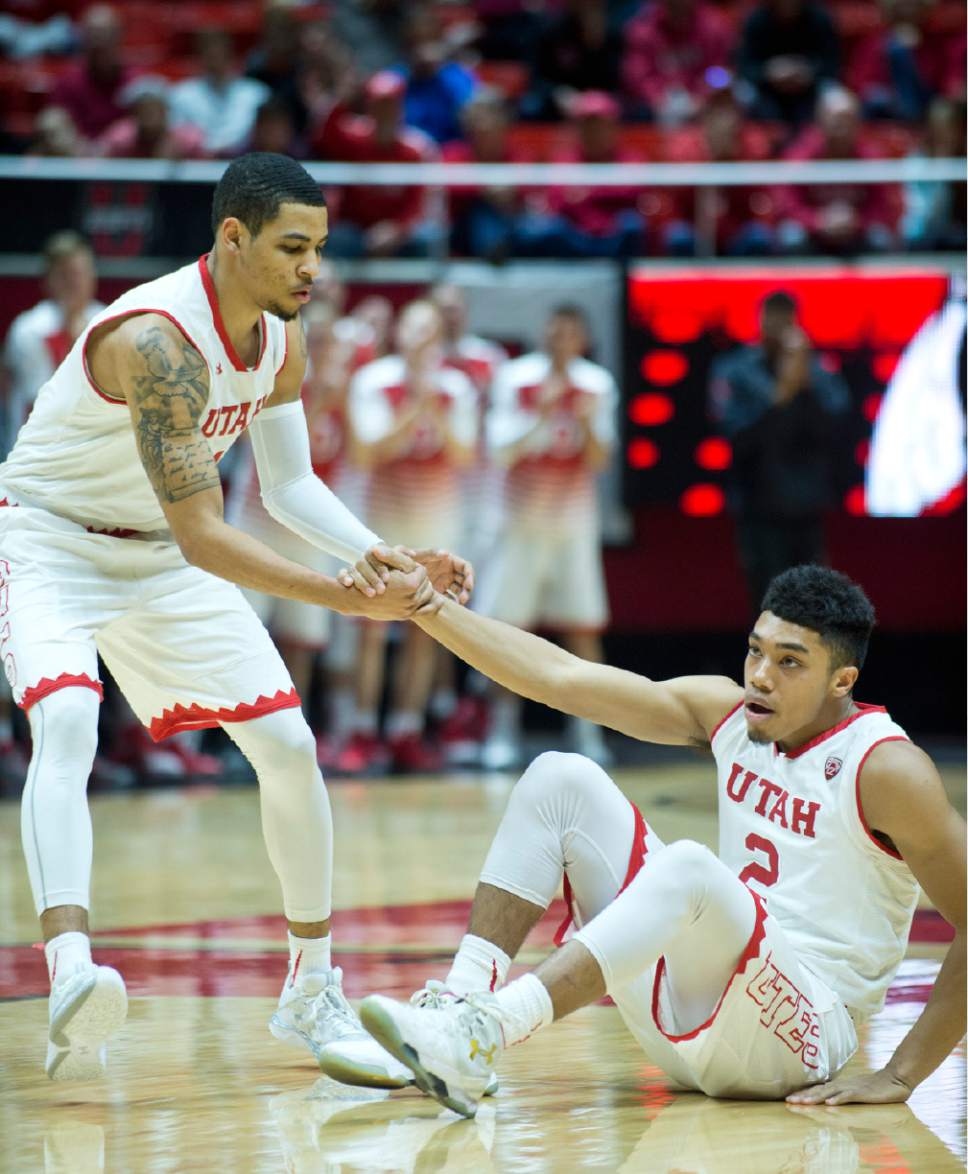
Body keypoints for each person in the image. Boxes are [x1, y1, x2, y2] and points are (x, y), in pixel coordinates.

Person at [0, 152, 472, 1085]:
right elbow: (208, 535)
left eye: (321, 248)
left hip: (159, 552)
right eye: (294, 247)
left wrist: (382, 557)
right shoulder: (159, 341)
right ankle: (70, 972)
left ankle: (310, 988)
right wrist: (344, 597)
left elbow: (291, 487)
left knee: (290, 749)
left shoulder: (282, 336)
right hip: (51, 539)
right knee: (66, 720)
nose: (312, 268)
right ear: (232, 237)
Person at [350, 564, 965, 1119]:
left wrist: (902, 1073)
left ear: (842, 680)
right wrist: (428, 607)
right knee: (559, 776)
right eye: (756, 651)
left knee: (690, 866)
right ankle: (457, 1019)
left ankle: (488, 1031)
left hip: (799, 1035)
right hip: (697, 1010)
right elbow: (560, 678)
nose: (760, 676)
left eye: (790, 662)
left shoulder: (886, 768)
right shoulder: (727, 715)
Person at [475, 304, 616, 769]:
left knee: (583, 627)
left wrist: (586, 420)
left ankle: (589, 732)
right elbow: (500, 451)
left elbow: (600, 459)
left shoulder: (597, 383)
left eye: (571, 333)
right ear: (544, 334)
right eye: (555, 332)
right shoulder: (515, 378)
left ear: (582, 339)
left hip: (572, 525)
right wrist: (543, 412)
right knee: (509, 631)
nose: (562, 341)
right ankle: (501, 730)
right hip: (519, 524)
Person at [342, 299, 478, 773]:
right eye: (413, 330)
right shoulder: (374, 381)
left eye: (429, 331)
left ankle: (406, 730)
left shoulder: (456, 387)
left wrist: (434, 410)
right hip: (384, 524)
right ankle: (361, 730)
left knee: (426, 630)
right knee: (373, 630)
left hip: (437, 522)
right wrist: (414, 408)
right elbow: (366, 452)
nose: (420, 340)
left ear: (440, 338)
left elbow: (463, 455)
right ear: (400, 334)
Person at [709, 290, 850, 612]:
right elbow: (734, 433)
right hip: (757, 505)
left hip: (808, 506)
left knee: (814, 607)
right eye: (771, 320)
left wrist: (804, 381)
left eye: (786, 321)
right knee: (769, 605)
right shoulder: (735, 369)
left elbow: (840, 423)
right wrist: (783, 393)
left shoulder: (816, 370)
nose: (778, 329)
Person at [3, 231, 102, 452]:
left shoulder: (109, 320)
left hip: (91, 450)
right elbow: (44, 399)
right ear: (48, 280)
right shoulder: (29, 327)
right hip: (34, 453)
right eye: (64, 275)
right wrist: (71, 335)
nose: (74, 282)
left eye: (79, 273)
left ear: (92, 275)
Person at [775, 87, 901, 256]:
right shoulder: (800, 156)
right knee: (791, 236)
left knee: (880, 237)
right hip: (814, 232)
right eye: (836, 120)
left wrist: (857, 222)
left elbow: (883, 205)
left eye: (848, 120)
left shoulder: (870, 158)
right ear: (821, 121)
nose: (842, 127)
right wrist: (818, 221)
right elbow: (786, 203)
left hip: (856, 232)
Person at [736, 0, 839, 126]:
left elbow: (832, 64)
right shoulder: (756, 19)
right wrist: (769, 72)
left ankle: (819, 142)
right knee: (741, 93)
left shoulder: (819, 18)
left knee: (835, 97)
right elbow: (744, 66)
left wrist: (807, 71)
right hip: (766, 88)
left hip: (810, 88)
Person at [170, 29, 271, 157]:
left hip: (248, 161)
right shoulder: (182, 94)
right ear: (200, 58)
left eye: (221, 55)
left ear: (232, 57)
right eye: (210, 56)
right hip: (197, 165)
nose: (216, 62)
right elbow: (177, 136)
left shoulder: (256, 93)